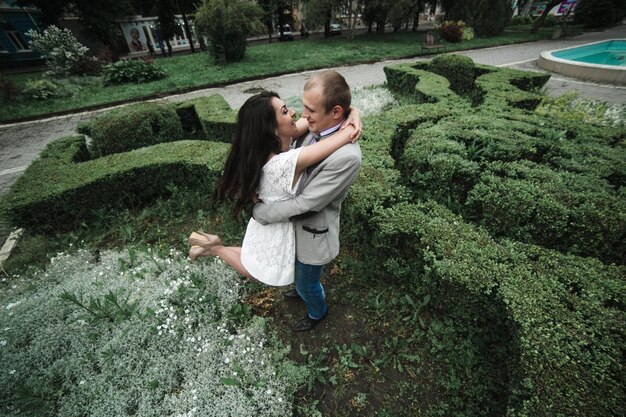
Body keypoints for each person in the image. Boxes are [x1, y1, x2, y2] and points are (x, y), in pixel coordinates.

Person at [188, 89, 361, 300]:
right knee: (255, 270)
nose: (297, 113)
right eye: (286, 111)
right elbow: (340, 137)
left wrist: (350, 111)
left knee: (254, 256)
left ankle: (213, 245)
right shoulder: (282, 164)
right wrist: (351, 122)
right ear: (271, 128)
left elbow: (318, 119)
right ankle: (216, 249)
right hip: (275, 223)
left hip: (267, 221)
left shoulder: (268, 146)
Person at [253, 70, 362, 332]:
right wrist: (355, 111)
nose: (303, 115)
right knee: (297, 273)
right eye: (303, 107)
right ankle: (302, 291)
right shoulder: (317, 126)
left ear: (336, 113)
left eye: (310, 109)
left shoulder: (347, 157)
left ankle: (317, 311)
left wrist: (262, 213)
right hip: (294, 226)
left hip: (313, 233)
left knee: (307, 282)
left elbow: (307, 205)